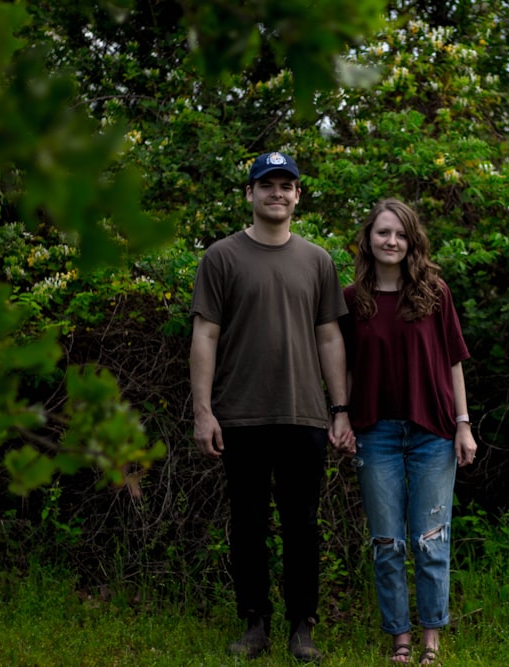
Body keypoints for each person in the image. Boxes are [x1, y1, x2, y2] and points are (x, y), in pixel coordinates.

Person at [189, 151, 354, 662]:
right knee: (248, 523)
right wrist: (203, 410)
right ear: (250, 194)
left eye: (286, 185)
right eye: (267, 185)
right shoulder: (221, 257)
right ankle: (254, 623)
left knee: (303, 524)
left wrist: (341, 408)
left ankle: (302, 628)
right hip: (240, 414)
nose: (276, 193)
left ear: (298, 195)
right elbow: (205, 336)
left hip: (304, 414)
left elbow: (330, 338)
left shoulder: (317, 260)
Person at [337, 198, 478, 665]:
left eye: (399, 234)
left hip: (432, 430)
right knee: (387, 543)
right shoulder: (351, 300)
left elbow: (454, 361)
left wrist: (463, 425)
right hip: (375, 432)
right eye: (382, 233)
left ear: (411, 240)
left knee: (430, 539)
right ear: (368, 239)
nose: (391, 241)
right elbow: (348, 369)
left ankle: (431, 639)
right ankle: (399, 636)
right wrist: (342, 416)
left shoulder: (434, 293)